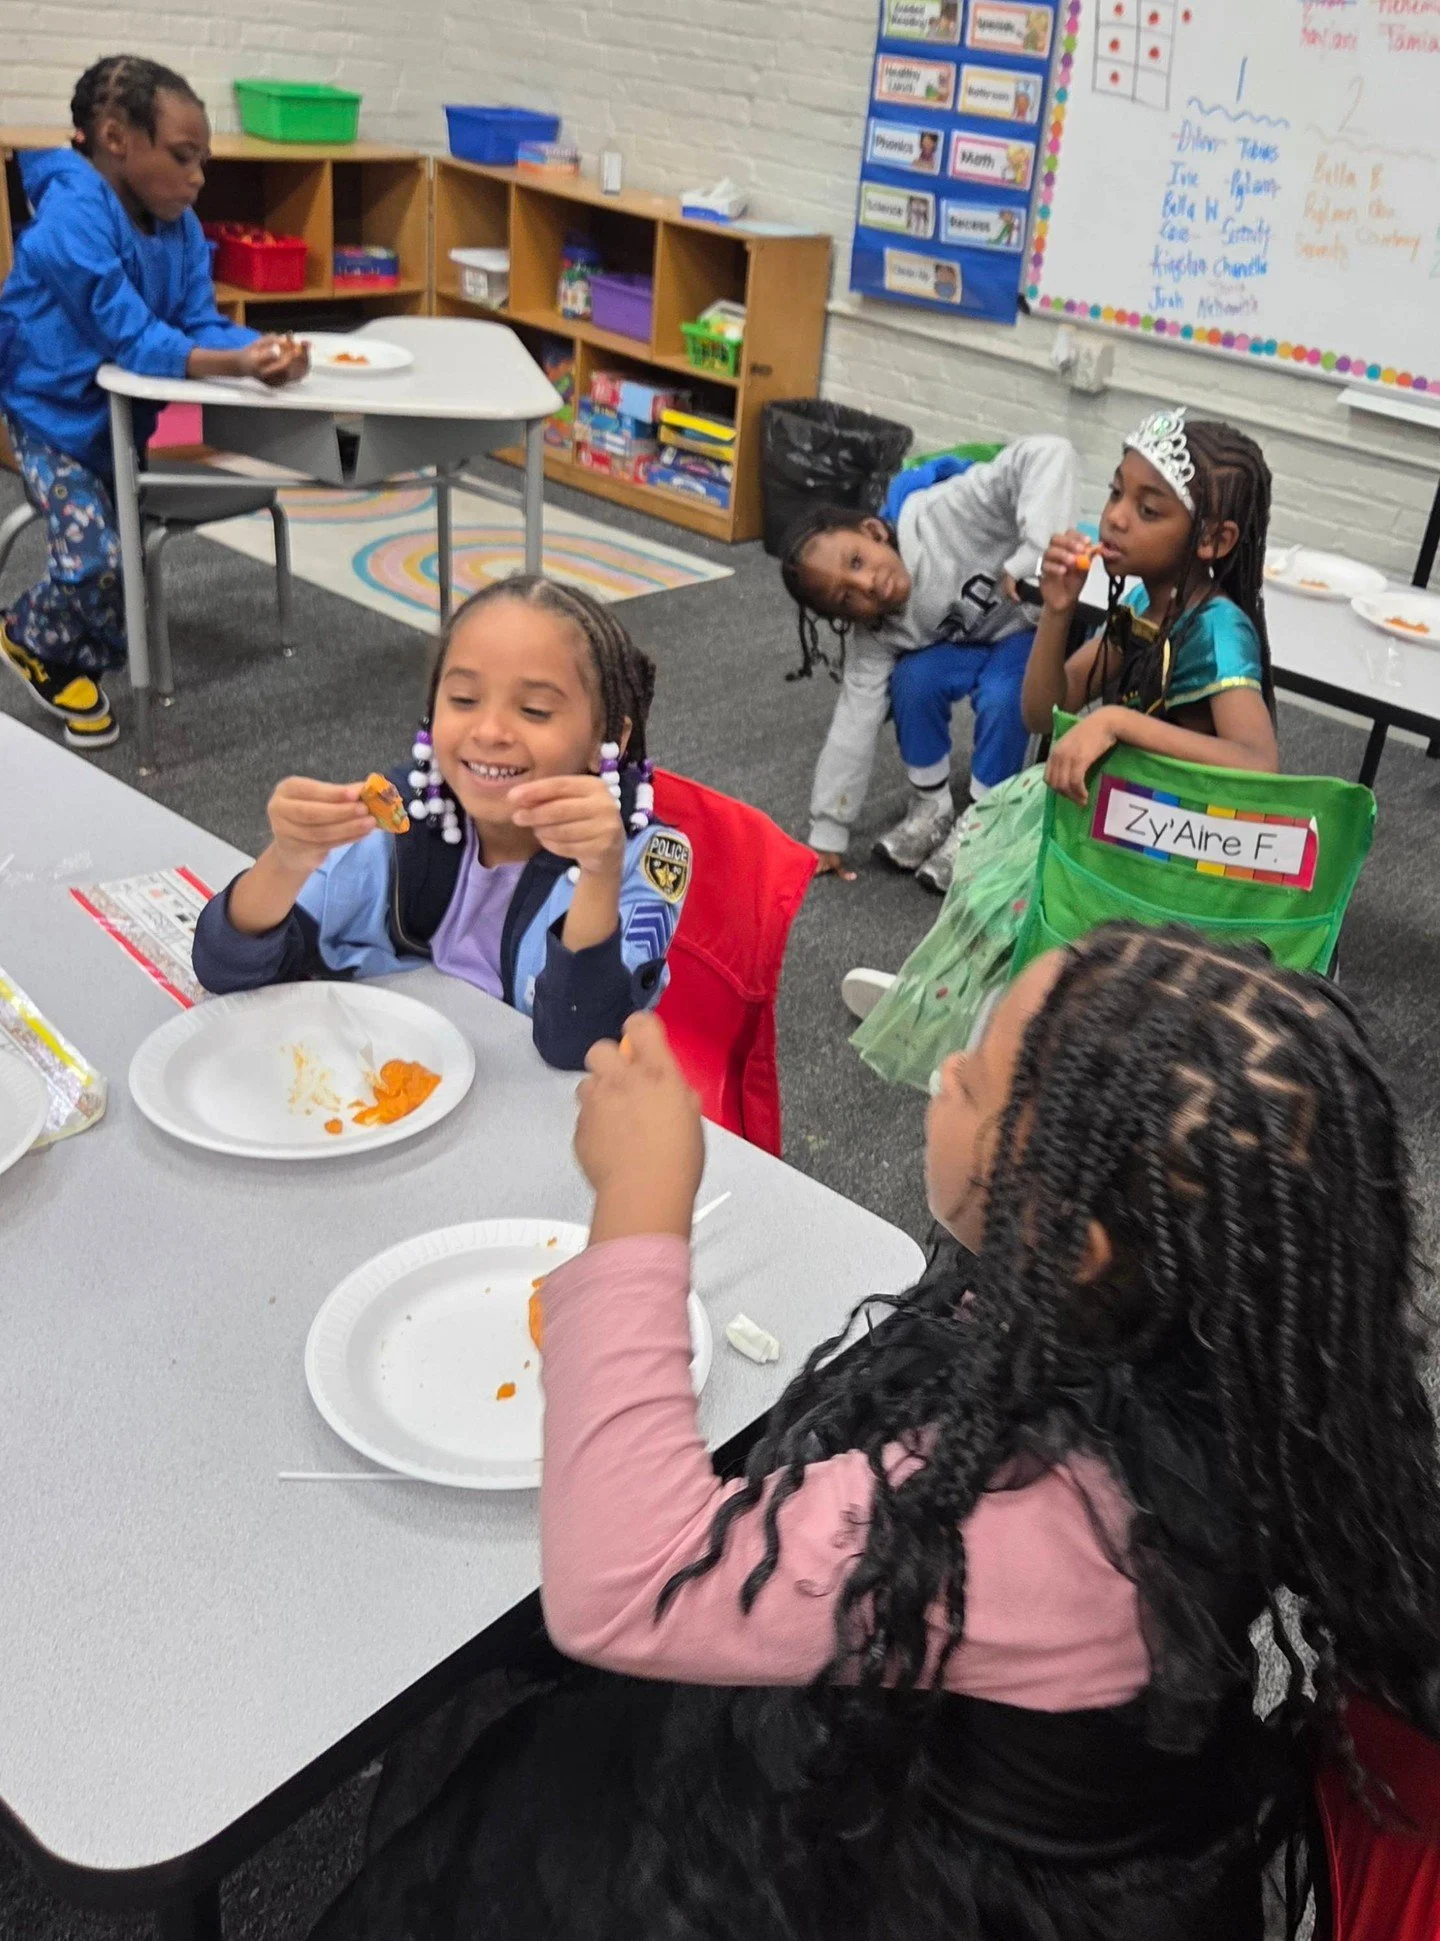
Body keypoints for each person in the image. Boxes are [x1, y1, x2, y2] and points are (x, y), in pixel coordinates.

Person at [307, 924, 1440, 1941]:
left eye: (979, 1079)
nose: (944, 1072)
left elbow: (622, 1586)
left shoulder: (1052, 1527)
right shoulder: (1231, 1366)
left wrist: (636, 1214)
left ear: (1071, 1238)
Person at [846, 408, 1280, 1087]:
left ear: (1214, 538)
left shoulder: (1217, 628)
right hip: (1120, 812)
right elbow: (1043, 708)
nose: (1115, 517)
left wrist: (1119, 724)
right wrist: (1054, 608)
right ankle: (952, 1001)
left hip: (1173, 843)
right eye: (1114, 493)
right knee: (992, 873)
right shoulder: (1145, 602)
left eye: (1148, 507)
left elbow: (1259, 764)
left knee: (1012, 883)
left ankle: (990, 1028)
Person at [191, 577, 691, 1072]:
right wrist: (287, 860)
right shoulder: (408, 815)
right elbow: (226, 966)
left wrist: (599, 872)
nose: (490, 731)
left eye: (534, 710)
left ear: (607, 736)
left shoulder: (640, 858)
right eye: (464, 700)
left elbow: (579, 1043)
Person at [0, 55, 309, 751]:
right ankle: (27, 634)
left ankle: (83, 648)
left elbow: (197, 319)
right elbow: (128, 333)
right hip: (50, 418)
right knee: (94, 561)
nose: (198, 178)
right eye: (183, 157)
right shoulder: (70, 220)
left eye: (201, 160)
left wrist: (261, 350)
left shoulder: (177, 224)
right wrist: (231, 363)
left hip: (118, 419)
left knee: (122, 561)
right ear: (116, 139)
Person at [780, 435, 1078, 888]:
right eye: (846, 596)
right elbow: (853, 723)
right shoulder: (876, 632)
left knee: (1005, 696)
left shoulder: (947, 511)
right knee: (912, 680)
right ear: (844, 617)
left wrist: (1034, 556)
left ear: (874, 531)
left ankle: (984, 821)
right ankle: (932, 807)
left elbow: (1049, 451)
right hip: (969, 643)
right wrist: (828, 833)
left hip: (1024, 631)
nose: (867, 585)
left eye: (857, 560)